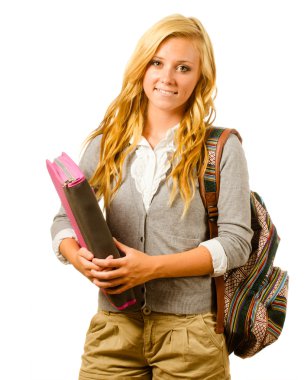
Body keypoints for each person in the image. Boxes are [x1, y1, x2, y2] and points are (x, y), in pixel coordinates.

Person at [51, 13, 253, 380]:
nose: (167, 78)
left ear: (200, 79)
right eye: (157, 63)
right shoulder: (106, 143)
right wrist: (79, 259)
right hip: (113, 330)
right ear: (142, 67)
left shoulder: (221, 148)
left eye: (183, 68)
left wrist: (152, 267)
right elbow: (65, 219)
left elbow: (237, 243)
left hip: (192, 334)